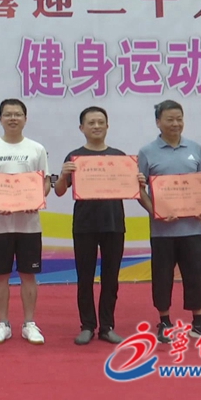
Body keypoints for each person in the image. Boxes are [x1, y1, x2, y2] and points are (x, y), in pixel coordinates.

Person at [55, 106, 143, 345]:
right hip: (84, 225)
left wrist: (137, 182)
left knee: (110, 278)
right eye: (91, 123)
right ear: (81, 128)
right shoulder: (75, 157)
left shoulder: (119, 157)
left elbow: (131, 190)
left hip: (114, 224)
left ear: (107, 126)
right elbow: (60, 191)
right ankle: (87, 326)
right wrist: (63, 176)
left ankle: (107, 326)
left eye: (100, 122)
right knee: (84, 278)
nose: (96, 126)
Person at [0, 98, 51, 345]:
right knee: (0, 276)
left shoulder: (37, 149)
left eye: (18, 114)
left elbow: (45, 182)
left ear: (25, 119)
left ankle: (29, 323)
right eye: (8, 114)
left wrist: (36, 199)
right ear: (0, 119)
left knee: (29, 275)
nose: (13, 118)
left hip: (29, 224)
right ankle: (3, 323)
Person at [137, 100, 201, 344]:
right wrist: (156, 211)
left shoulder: (195, 149)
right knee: (162, 277)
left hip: (192, 228)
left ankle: (198, 321)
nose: (175, 123)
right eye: (169, 119)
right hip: (162, 231)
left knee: (195, 275)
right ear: (158, 122)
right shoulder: (147, 152)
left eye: (179, 119)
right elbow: (139, 190)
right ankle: (165, 321)